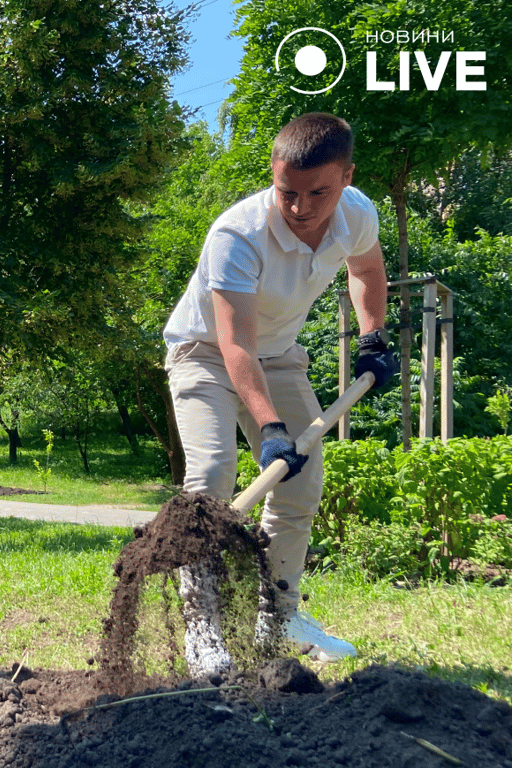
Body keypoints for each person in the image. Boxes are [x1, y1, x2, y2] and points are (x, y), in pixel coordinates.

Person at [162, 112, 396, 676]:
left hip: (280, 354)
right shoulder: (236, 234)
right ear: (273, 173)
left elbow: (365, 271)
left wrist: (373, 339)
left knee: (303, 479)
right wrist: (270, 429)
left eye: (318, 192)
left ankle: (278, 615)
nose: (300, 206)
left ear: (346, 177)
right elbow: (234, 343)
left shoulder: (358, 213)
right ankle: (203, 629)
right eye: (287, 191)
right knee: (213, 473)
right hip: (206, 353)